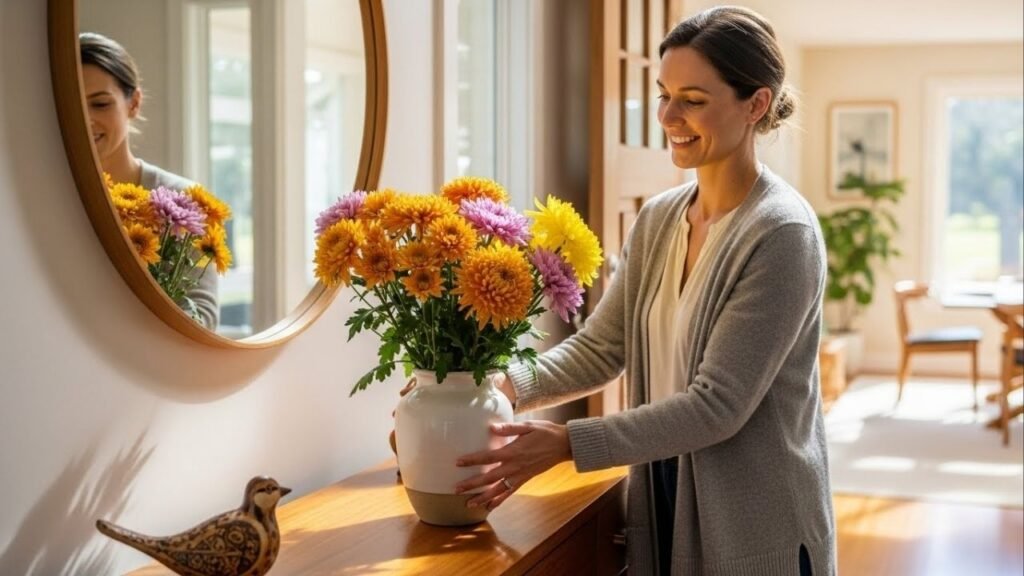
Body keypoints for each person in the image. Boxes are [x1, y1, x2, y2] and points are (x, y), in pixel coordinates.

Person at [453, 6, 834, 576]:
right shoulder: (658, 219)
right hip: (665, 495)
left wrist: (564, 444)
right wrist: (501, 384)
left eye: (693, 99)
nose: (669, 116)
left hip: (759, 534)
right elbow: (602, 347)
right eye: (664, 94)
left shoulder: (782, 234)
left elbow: (717, 408)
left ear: (756, 104)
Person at [80, 32, 219, 330]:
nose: (85, 119)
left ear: (134, 104)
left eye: (100, 104)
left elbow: (203, 319)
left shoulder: (183, 200)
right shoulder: (47, 197)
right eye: (73, 105)